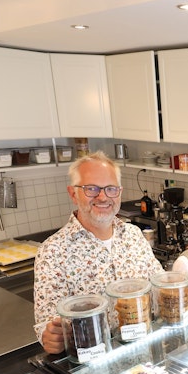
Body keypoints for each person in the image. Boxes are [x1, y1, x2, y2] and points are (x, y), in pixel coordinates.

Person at [34, 151, 163, 354]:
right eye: (91, 188)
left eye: (111, 189)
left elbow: (159, 288)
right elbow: (46, 324)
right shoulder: (52, 252)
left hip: (145, 356)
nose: (103, 197)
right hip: (93, 366)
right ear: (73, 193)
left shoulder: (134, 235)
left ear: (119, 192)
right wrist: (49, 336)